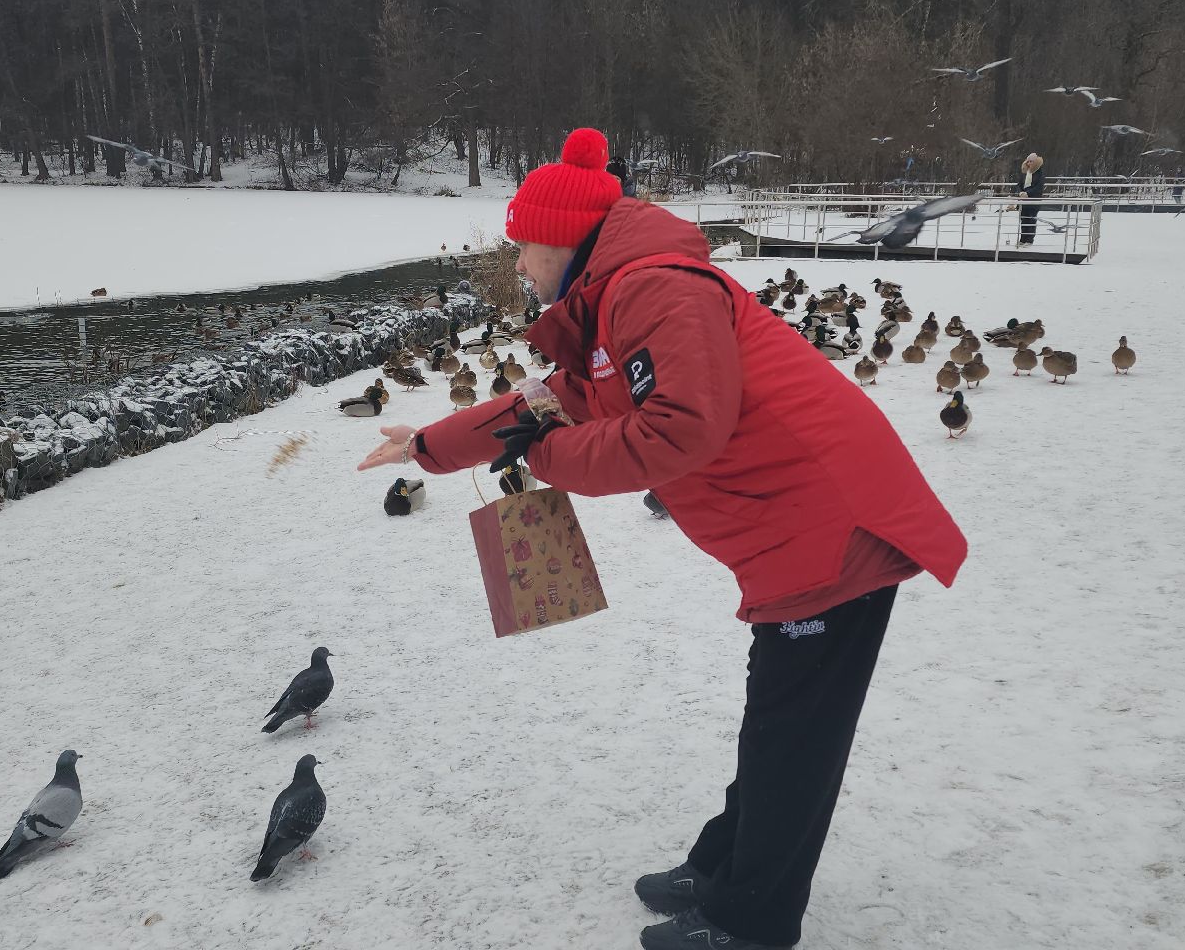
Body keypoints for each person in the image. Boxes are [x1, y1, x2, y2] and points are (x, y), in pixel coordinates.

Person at [358, 128, 967, 950]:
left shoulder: (654, 291)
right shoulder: (617, 304)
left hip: (830, 530)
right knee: (777, 722)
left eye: (522, 247)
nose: (518, 266)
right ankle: (724, 866)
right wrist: (428, 446)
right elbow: (551, 400)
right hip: (791, 530)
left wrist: (544, 454)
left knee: (794, 737)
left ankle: (751, 923)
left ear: (562, 239)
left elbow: (681, 430)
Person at [1014, 152, 1046, 245]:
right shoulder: (1025, 173)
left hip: (1034, 201)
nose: (1029, 163)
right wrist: (1020, 192)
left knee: (1031, 219)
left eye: (1031, 161)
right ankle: (1022, 239)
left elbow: (1039, 187)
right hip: (1023, 201)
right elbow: (1019, 184)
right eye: (1028, 161)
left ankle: (1029, 240)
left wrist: (1028, 193)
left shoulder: (1039, 173)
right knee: (1024, 220)